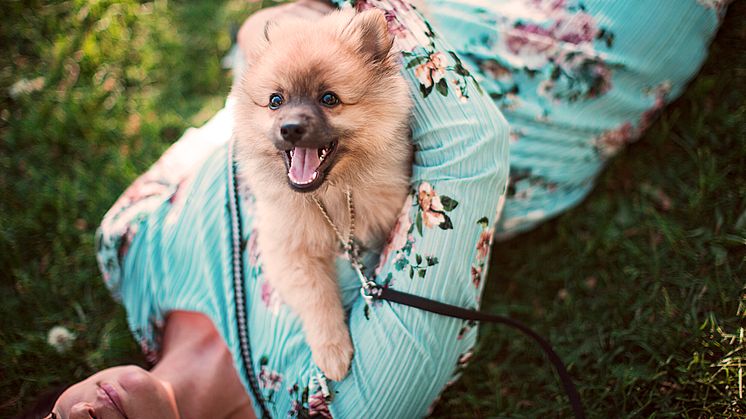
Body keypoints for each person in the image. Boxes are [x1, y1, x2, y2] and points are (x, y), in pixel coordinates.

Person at [46, 0, 730, 417]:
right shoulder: (345, 400)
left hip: (398, 28)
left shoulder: (130, 245)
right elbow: (473, 151)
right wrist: (370, 24)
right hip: (546, 74)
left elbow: (260, 63)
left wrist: (298, 33)